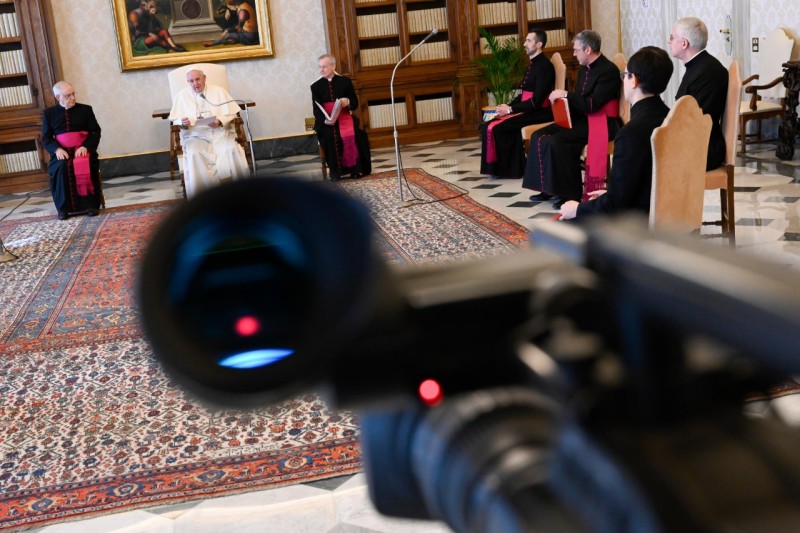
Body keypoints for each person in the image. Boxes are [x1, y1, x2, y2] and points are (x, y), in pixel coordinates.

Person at [559, 46, 673, 221]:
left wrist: (578, 209)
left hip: (634, 223)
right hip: (666, 215)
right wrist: (609, 193)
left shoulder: (630, 133)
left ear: (634, 80)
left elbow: (616, 206)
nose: (623, 80)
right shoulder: (671, 118)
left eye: (624, 75)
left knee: (557, 228)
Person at [522, 30, 622, 209]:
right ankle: (548, 189)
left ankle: (569, 194)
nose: (574, 54)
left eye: (576, 50)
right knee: (538, 136)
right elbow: (580, 101)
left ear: (588, 49)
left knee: (558, 141)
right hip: (583, 117)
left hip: (602, 122)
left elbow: (592, 105)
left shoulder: (608, 71)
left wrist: (566, 94)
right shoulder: (584, 68)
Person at [479, 30, 555, 179]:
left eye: (529, 41)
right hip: (529, 108)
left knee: (497, 127)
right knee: (488, 124)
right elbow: (524, 95)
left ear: (539, 44)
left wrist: (511, 109)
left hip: (540, 112)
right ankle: (508, 167)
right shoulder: (532, 64)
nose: (524, 44)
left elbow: (536, 101)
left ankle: (508, 170)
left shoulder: (544, 66)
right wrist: (507, 106)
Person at [168, 68, 250, 198]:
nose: (195, 83)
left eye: (197, 79)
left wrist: (220, 121)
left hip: (220, 133)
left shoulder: (218, 91)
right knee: (195, 153)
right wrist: (182, 122)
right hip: (195, 136)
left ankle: (239, 193)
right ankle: (203, 197)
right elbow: (175, 119)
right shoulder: (182, 95)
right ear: (188, 82)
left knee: (231, 149)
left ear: (204, 78)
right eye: (191, 81)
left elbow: (231, 113)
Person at [669, 16, 727, 171]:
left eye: (672, 37)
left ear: (684, 43)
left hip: (703, 149)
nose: (669, 41)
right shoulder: (700, 66)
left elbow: (695, 120)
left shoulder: (706, 72)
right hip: (696, 143)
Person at [42, 81, 103, 221]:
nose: (73, 97)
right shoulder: (49, 114)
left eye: (73, 94)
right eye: (68, 95)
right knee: (61, 167)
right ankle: (63, 209)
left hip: (82, 150)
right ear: (58, 97)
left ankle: (90, 206)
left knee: (85, 163)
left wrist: (85, 147)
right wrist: (57, 149)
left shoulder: (86, 110)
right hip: (62, 151)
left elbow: (95, 132)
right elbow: (46, 138)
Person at [311, 54, 371, 181]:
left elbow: (354, 103)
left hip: (344, 117)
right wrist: (326, 120)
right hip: (326, 121)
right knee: (329, 136)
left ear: (333, 66)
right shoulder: (315, 86)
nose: (321, 70)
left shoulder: (345, 82)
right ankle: (335, 172)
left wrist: (347, 101)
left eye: (324, 67)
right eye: (320, 67)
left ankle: (355, 169)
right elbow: (316, 110)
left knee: (357, 134)